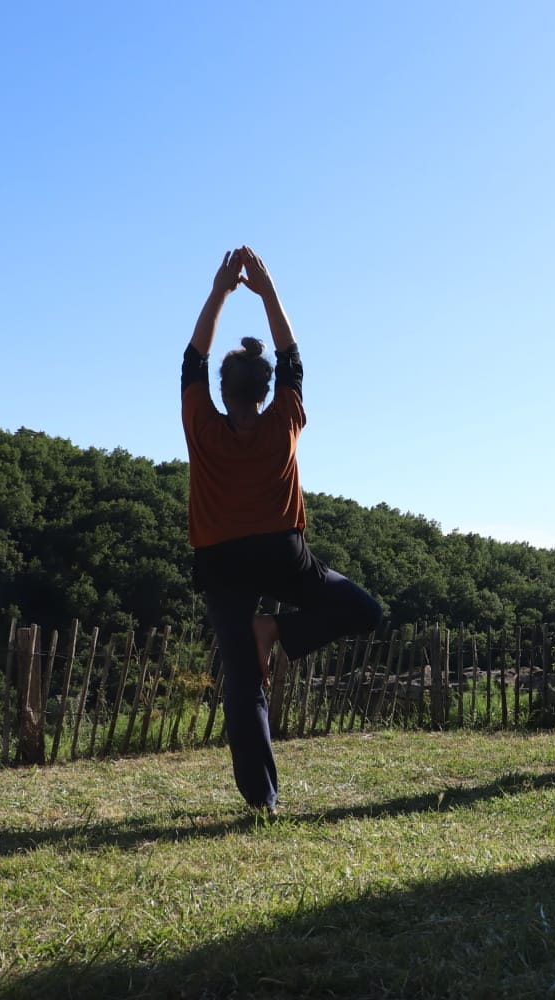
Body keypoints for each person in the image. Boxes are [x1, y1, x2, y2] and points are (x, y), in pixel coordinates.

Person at [182, 245, 382, 813]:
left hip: (221, 561)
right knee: (365, 611)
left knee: (244, 685)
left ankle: (263, 802)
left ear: (223, 392)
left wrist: (221, 291)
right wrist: (267, 292)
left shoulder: (199, 420)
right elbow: (292, 355)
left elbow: (191, 360)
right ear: (266, 392)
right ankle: (277, 631)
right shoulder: (285, 418)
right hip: (282, 554)